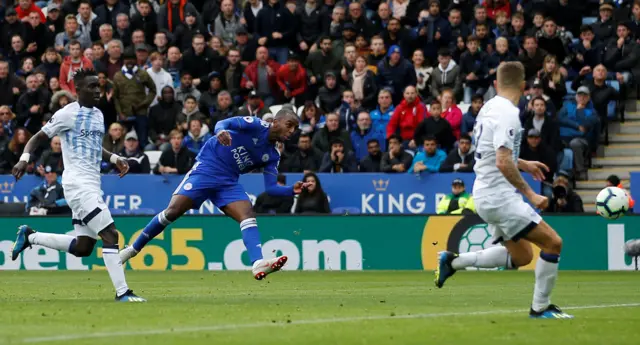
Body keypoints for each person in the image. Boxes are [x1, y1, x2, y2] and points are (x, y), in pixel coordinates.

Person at [435, 61, 573, 319]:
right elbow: (500, 161)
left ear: (496, 84)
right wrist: (530, 194)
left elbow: (492, 153)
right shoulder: (509, 113)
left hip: (485, 194)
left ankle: (452, 261)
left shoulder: (488, 108)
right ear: (523, 86)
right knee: (553, 243)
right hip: (499, 197)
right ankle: (540, 309)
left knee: (521, 256)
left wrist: (523, 163)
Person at [120, 111, 309, 280]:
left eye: (295, 128)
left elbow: (271, 188)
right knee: (173, 211)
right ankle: (133, 249)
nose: (292, 131)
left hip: (228, 181)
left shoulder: (273, 154)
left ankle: (257, 262)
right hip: (208, 166)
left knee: (247, 215)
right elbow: (223, 123)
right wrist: (220, 132)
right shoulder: (255, 125)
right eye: (289, 125)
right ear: (276, 122)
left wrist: (292, 190)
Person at [10, 69, 144, 302]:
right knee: (110, 235)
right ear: (78, 90)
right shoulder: (67, 114)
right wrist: (24, 159)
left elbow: (94, 147)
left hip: (92, 183)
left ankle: (30, 236)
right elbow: (37, 138)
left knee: (83, 247)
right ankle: (123, 293)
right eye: (91, 87)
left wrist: (114, 158)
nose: (97, 91)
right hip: (78, 185)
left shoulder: (99, 115)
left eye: (98, 86)